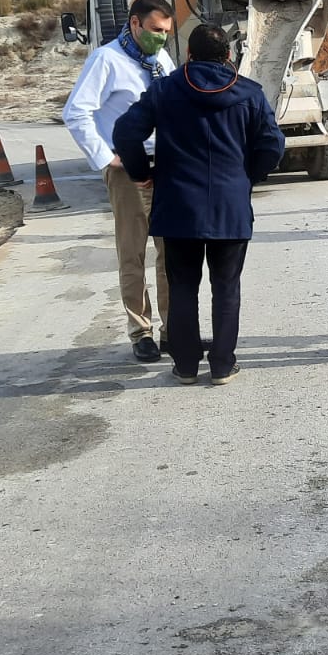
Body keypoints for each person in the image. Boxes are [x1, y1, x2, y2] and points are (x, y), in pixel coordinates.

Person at [114, 24, 283, 385]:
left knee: (182, 286)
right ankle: (222, 365)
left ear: (188, 55)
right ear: (228, 57)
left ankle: (186, 365)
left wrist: (141, 172)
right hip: (230, 206)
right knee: (226, 286)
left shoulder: (164, 90)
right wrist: (246, 177)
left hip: (177, 206)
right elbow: (272, 146)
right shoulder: (249, 93)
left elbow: (125, 132)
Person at [63, 0, 175, 363]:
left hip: (165, 166)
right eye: (156, 30)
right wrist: (106, 158)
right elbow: (76, 111)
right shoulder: (106, 60)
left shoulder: (159, 60)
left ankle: (173, 328)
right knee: (133, 252)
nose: (161, 38)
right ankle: (141, 330)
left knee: (169, 252)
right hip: (127, 168)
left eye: (166, 32)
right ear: (135, 24)